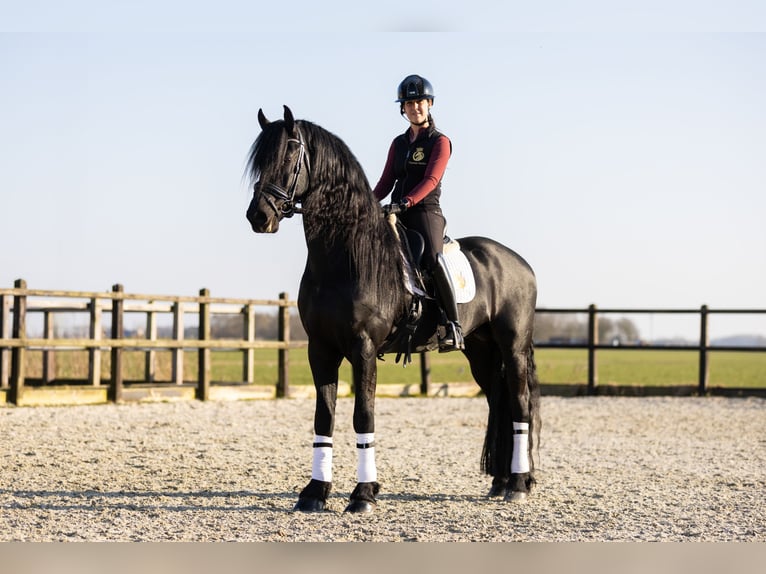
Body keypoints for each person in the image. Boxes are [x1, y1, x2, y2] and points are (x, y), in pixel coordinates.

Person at [372, 74, 465, 352]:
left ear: (430, 104)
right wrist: (365, 203)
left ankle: (453, 325)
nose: (415, 108)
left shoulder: (440, 142)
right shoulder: (398, 144)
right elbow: (385, 182)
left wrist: (407, 202)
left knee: (434, 260)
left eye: (420, 102)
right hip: (395, 212)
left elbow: (431, 180)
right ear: (403, 109)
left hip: (425, 211)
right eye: (410, 104)